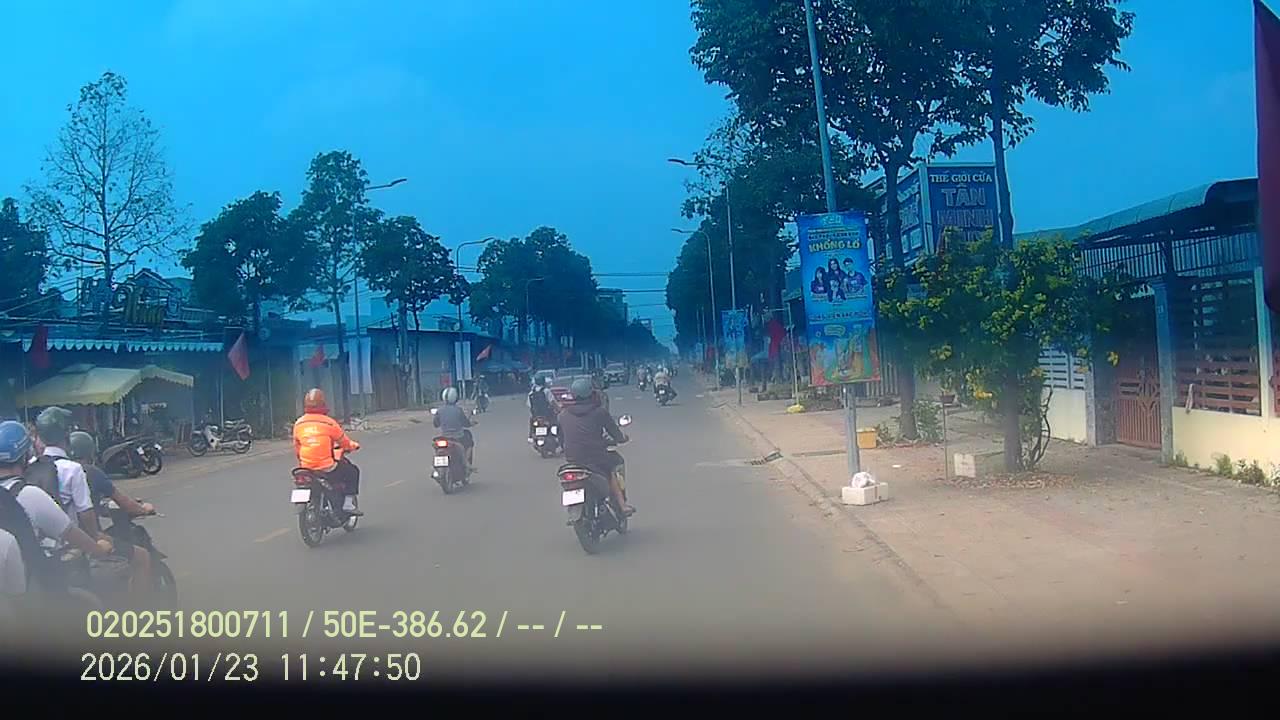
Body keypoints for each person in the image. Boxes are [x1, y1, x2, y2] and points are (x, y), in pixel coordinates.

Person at [0, 420, 112, 596]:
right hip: (28, 589)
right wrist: (99, 549)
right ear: (25, 455)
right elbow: (71, 534)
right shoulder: (29, 495)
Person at [67, 431, 154, 601]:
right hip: (89, 537)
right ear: (90, 452)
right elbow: (124, 502)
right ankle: (140, 609)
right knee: (142, 557)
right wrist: (143, 509)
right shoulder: (91, 472)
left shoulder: (57, 472)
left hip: (63, 539)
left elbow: (89, 505)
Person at [558, 378, 633, 517]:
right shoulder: (599, 412)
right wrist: (622, 438)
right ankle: (622, 505)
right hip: (596, 458)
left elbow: (561, 439)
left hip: (573, 460)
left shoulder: (563, 415)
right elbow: (615, 433)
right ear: (591, 393)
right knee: (612, 469)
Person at [30, 407, 101, 539]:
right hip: (68, 541)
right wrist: (95, 539)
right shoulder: (72, 469)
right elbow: (85, 511)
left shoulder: (30, 465)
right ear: (67, 435)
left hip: (37, 541)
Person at [293, 389, 362, 516]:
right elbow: (345, 443)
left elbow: (297, 447)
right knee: (352, 471)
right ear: (323, 403)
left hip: (305, 467)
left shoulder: (299, 423)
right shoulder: (329, 422)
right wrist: (353, 446)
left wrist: (303, 461)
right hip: (326, 467)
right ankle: (348, 504)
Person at [433, 387, 476, 469]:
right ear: (455, 397)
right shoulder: (458, 410)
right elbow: (465, 423)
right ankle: (467, 463)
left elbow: (435, 424)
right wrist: (471, 423)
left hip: (444, 437)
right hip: (458, 437)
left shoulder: (440, 410)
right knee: (469, 442)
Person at [528, 375, 557, 441]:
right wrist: (559, 410)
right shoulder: (547, 391)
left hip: (536, 416)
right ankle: (557, 437)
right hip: (548, 415)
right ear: (544, 382)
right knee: (556, 422)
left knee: (531, 421)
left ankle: (530, 436)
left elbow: (530, 406)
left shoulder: (531, 393)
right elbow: (553, 403)